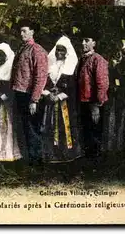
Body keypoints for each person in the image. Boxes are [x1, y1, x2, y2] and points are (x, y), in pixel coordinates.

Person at [11, 19, 48, 166]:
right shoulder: (22, 48)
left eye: (25, 31)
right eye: (20, 31)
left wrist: (34, 100)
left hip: (31, 95)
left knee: (33, 128)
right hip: (20, 93)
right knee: (23, 127)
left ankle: (36, 162)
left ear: (32, 32)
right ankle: (27, 159)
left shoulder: (37, 50)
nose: (21, 34)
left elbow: (40, 76)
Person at [40, 36, 82, 164]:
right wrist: (48, 94)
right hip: (50, 103)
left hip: (65, 103)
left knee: (65, 127)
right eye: (57, 50)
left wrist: (58, 97)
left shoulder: (71, 67)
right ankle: (50, 154)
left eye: (62, 51)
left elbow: (73, 87)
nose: (59, 53)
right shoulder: (49, 66)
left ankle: (65, 154)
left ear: (66, 52)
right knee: (49, 126)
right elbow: (43, 84)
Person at [0, 43, 22, 162]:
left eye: (1, 55)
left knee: (5, 127)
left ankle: (6, 155)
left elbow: (13, 89)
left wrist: (2, 97)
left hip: (5, 104)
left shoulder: (11, 68)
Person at [77, 33, 109, 163]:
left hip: (93, 102)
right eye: (82, 41)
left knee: (94, 131)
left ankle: (95, 162)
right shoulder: (82, 59)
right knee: (86, 130)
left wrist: (97, 104)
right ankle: (88, 159)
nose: (83, 43)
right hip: (83, 101)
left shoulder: (98, 60)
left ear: (94, 43)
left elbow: (102, 83)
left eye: (87, 40)